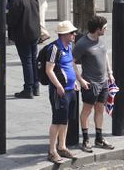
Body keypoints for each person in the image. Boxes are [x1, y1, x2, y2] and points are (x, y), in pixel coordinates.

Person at [44, 20, 85, 164]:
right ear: (64, 34)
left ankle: (62, 146)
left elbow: (71, 64)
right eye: (71, 33)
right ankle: (52, 151)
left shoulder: (69, 46)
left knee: (65, 119)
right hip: (59, 91)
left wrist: (76, 81)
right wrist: (58, 86)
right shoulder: (54, 48)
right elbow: (48, 70)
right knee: (57, 120)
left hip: (71, 90)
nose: (74, 35)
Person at [73, 16, 115, 153]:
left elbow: (105, 55)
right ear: (98, 29)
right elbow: (71, 62)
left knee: (99, 109)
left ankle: (99, 138)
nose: (106, 29)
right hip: (90, 84)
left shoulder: (100, 40)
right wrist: (80, 79)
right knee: (87, 110)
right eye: (104, 28)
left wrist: (110, 73)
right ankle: (85, 139)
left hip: (103, 82)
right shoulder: (82, 44)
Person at [6, 0, 41, 98]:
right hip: (34, 32)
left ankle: (28, 88)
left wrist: (6, 16)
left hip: (23, 34)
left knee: (27, 61)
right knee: (33, 59)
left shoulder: (16, 0)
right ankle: (36, 86)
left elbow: (11, 21)